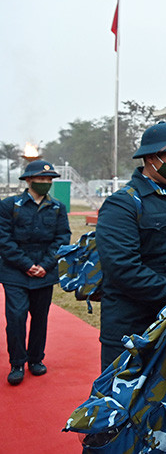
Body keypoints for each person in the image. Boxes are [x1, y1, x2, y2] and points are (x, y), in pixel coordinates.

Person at [95, 122, 166, 369]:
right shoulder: (122, 204)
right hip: (133, 324)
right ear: (151, 158)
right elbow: (123, 268)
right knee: (126, 391)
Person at [0, 160, 71, 385]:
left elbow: (62, 238)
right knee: (16, 317)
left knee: (40, 318)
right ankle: (17, 363)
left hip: (44, 271)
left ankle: (36, 359)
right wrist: (26, 264)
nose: (46, 183)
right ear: (29, 180)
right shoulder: (9, 205)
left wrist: (46, 265)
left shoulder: (57, 207)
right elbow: (3, 239)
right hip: (15, 271)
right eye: (41, 179)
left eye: (49, 179)